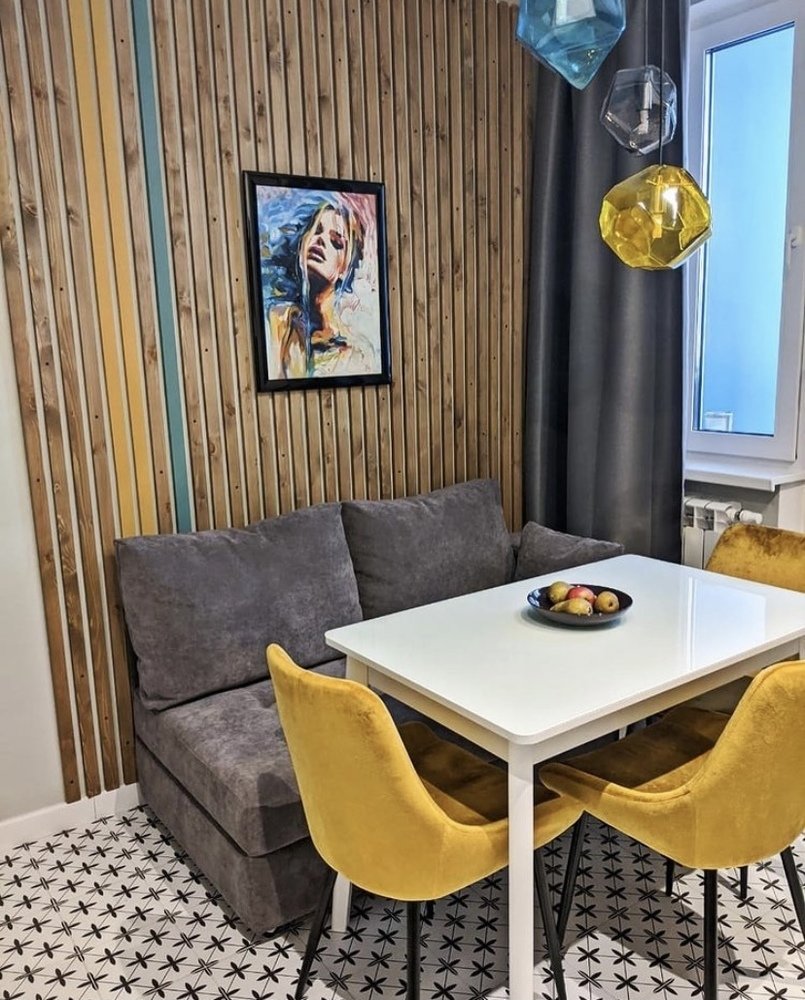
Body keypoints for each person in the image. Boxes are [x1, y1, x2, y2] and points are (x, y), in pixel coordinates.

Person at [265, 199, 377, 380]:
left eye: (336, 242)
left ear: (345, 268)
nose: (320, 240)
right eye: (316, 231)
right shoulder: (276, 321)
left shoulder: (354, 353)